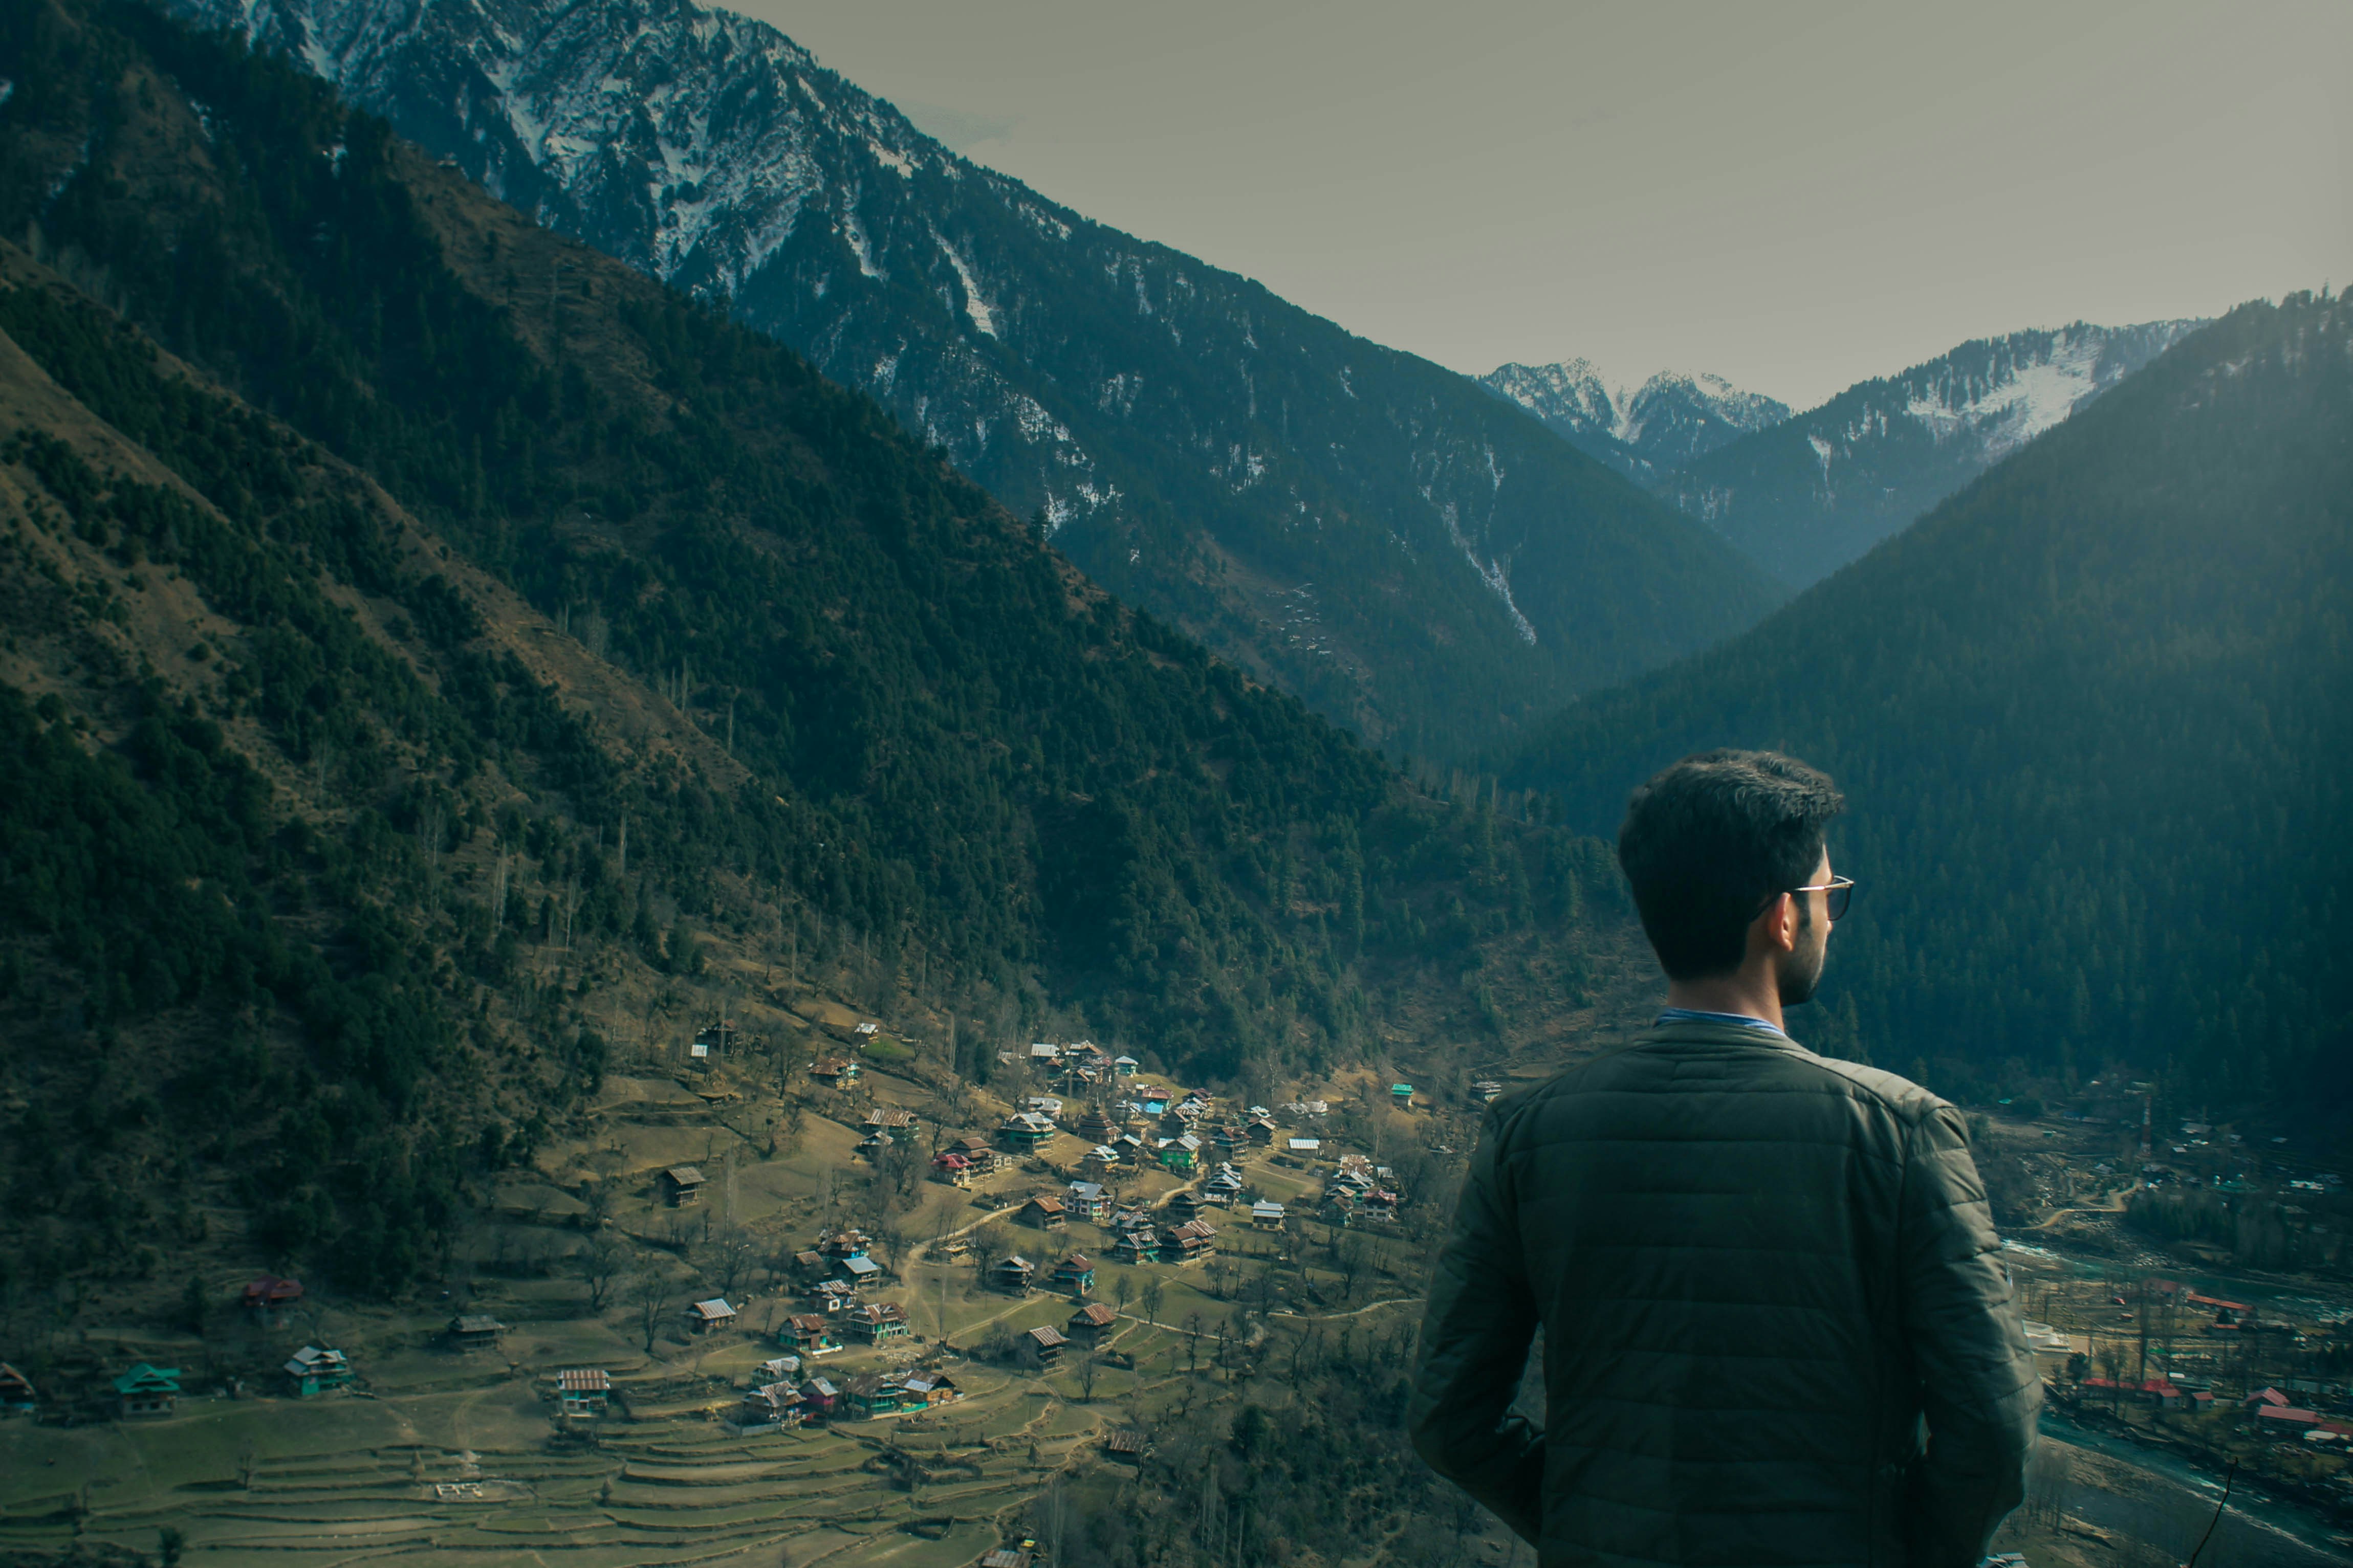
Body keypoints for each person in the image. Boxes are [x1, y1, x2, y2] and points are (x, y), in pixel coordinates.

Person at [1409, 749, 2037, 1566]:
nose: (1831, 919)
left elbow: (1450, 1418)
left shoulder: (1526, 1134)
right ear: (1782, 918)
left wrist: (1588, 1526)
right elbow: (1992, 1429)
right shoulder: (1902, 1134)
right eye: (1828, 897)